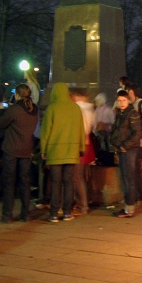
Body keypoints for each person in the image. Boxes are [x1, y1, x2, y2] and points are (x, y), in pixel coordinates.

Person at [40, 83, 85, 222]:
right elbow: (81, 130)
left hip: (55, 152)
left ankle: (53, 213)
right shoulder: (75, 108)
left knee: (55, 183)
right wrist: (81, 148)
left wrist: (44, 149)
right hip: (71, 151)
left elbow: (45, 132)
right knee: (68, 182)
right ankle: (67, 212)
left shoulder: (51, 109)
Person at [0, 84, 38, 223]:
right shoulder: (34, 109)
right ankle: (26, 214)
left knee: (9, 183)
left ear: (18, 95)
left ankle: (7, 215)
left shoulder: (14, 109)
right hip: (26, 149)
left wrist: (1, 110)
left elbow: (1, 124)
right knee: (24, 182)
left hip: (11, 149)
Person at [110, 89, 141, 217]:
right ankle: (127, 206)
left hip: (129, 150)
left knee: (129, 179)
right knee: (125, 179)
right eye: (119, 101)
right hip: (122, 149)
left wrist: (124, 146)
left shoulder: (132, 114)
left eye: (124, 100)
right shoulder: (120, 113)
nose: (121, 103)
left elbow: (137, 133)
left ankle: (129, 208)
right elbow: (116, 130)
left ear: (128, 100)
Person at [70, 89, 95, 216]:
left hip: (79, 144)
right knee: (81, 176)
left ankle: (83, 205)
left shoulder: (78, 108)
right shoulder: (89, 108)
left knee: (77, 177)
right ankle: (81, 203)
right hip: (85, 144)